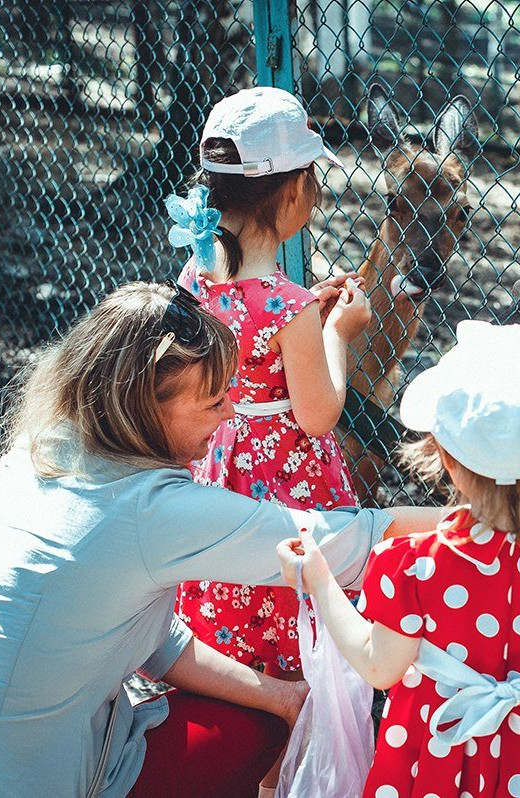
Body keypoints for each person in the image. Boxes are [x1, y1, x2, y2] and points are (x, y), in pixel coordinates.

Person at [0, 282, 448, 798]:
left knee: (266, 708)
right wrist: (487, 515)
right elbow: (343, 541)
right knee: (252, 729)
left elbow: (155, 639)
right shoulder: (152, 512)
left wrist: (282, 697)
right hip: (41, 781)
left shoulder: (41, 448)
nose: (230, 414)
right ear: (145, 404)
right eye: (214, 400)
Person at [277, 320, 520, 798]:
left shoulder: (414, 565)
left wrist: (319, 579)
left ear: (447, 460)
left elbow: (380, 668)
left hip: (440, 753)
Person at [165, 86, 370, 681]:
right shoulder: (289, 307)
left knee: (234, 601)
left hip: (220, 467)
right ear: (291, 192)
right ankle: (285, 752)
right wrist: (337, 332)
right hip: (286, 486)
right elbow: (318, 415)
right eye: (311, 175)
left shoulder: (198, 269)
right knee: (289, 615)